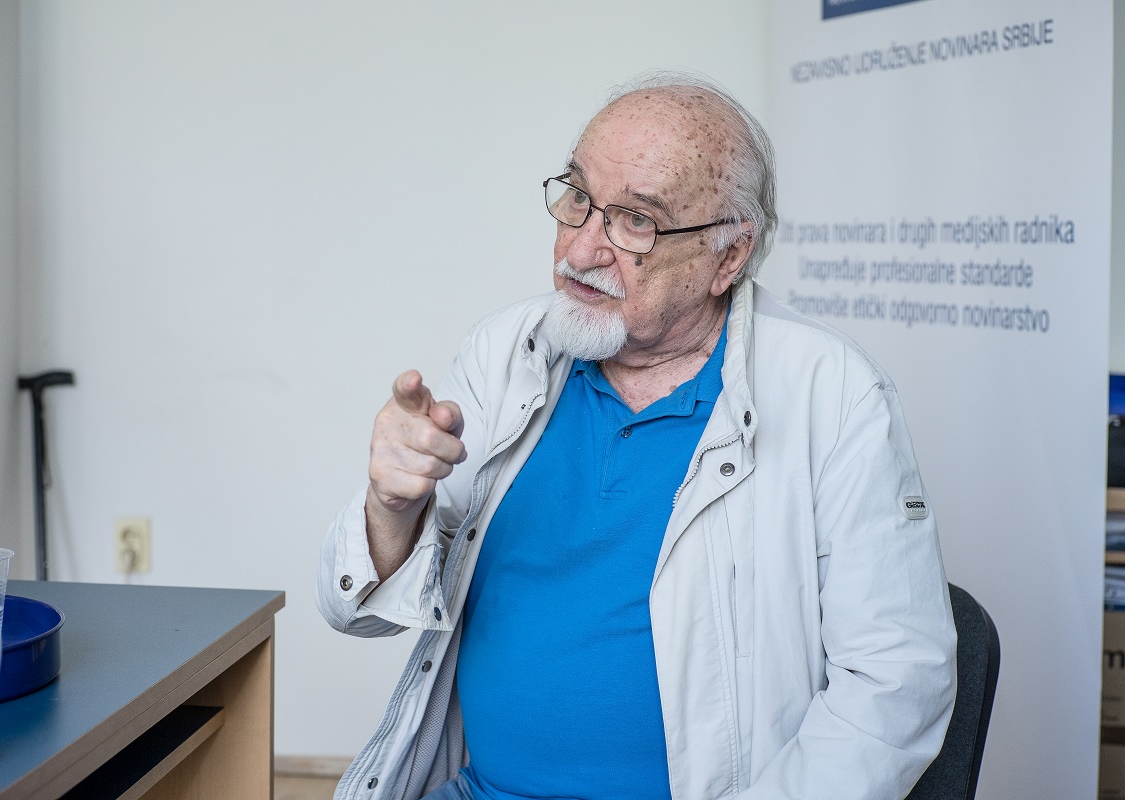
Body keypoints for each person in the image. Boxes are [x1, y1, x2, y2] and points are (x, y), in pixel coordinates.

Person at [317, 73, 957, 800]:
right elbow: (356, 615)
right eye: (578, 198)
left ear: (728, 257)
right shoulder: (509, 351)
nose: (581, 248)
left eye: (636, 222)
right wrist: (391, 511)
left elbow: (896, 686)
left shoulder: (832, 394)